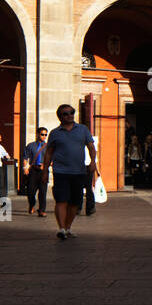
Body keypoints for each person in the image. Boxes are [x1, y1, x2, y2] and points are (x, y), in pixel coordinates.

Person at [44, 103, 95, 240]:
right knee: (61, 200)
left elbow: (91, 147)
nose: (69, 115)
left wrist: (93, 162)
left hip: (79, 172)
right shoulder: (55, 133)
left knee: (75, 203)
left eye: (71, 112)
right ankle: (61, 228)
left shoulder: (83, 129)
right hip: (60, 171)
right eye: (65, 114)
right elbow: (48, 153)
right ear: (60, 117)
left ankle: (67, 228)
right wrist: (45, 170)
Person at [23, 127, 48, 216]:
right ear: (37, 134)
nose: (44, 136)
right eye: (42, 134)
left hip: (43, 171)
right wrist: (25, 167)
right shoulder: (31, 145)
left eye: (45, 135)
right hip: (33, 170)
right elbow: (25, 157)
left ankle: (42, 210)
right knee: (30, 191)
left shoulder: (48, 146)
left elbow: (52, 159)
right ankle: (32, 205)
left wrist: (45, 165)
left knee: (42, 192)